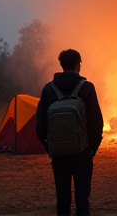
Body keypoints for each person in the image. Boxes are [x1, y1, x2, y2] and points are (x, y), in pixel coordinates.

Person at [36, 49, 104, 216]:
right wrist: (91, 150)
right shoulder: (87, 87)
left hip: (59, 154)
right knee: (83, 201)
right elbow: (97, 123)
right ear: (77, 64)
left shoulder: (48, 90)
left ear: (61, 65)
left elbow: (40, 126)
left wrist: (50, 148)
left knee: (62, 200)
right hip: (82, 153)